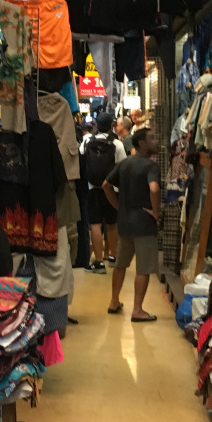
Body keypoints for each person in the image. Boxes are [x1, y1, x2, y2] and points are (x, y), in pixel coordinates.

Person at [102, 128, 160, 322]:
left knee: (120, 264)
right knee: (143, 268)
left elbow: (106, 185)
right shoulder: (151, 166)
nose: (155, 141)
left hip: (125, 222)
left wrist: (118, 206)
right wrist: (156, 212)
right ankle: (137, 310)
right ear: (141, 143)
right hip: (144, 224)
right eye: (151, 138)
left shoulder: (124, 163)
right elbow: (154, 188)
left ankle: (114, 301)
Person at [80, 112, 126, 273]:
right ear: (111, 126)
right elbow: (123, 166)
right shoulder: (117, 144)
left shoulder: (87, 141)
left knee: (95, 224)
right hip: (112, 189)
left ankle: (99, 262)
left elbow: (81, 158)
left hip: (92, 188)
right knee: (112, 224)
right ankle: (113, 256)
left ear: (96, 125)